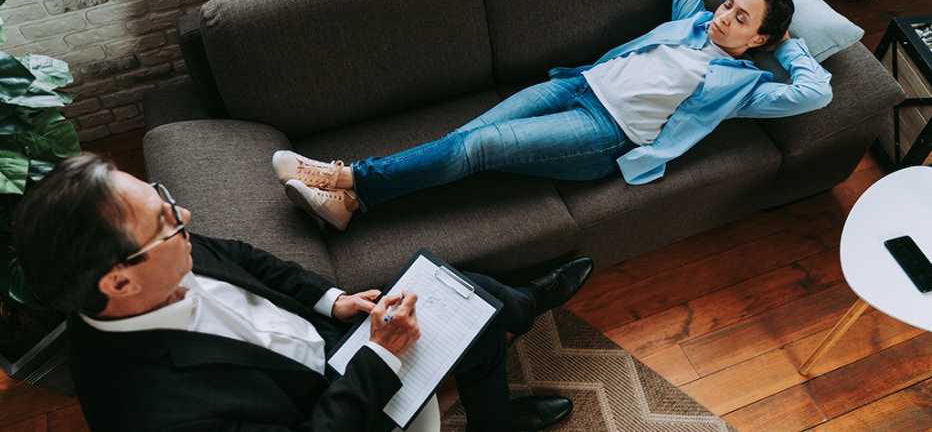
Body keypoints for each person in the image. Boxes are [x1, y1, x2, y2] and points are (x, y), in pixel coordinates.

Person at [13, 153, 595, 432]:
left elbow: (245, 258)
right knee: (475, 307)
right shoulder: (156, 412)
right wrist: (380, 356)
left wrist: (332, 300)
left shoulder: (159, 257)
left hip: (336, 341)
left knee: (466, 300)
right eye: (166, 221)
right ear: (118, 281)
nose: (184, 214)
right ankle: (526, 305)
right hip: (342, 406)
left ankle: (501, 394)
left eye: (164, 198)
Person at [271, 0, 833, 231]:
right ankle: (348, 206)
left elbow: (816, 93)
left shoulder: (745, 86)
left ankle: (347, 178)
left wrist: (784, 41)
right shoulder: (692, 19)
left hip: (603, 135)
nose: (724, 17)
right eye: (729, 5)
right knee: (470, 134)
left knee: (481, 149)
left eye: (740, 19)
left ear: (759, 37)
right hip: (579, 85)